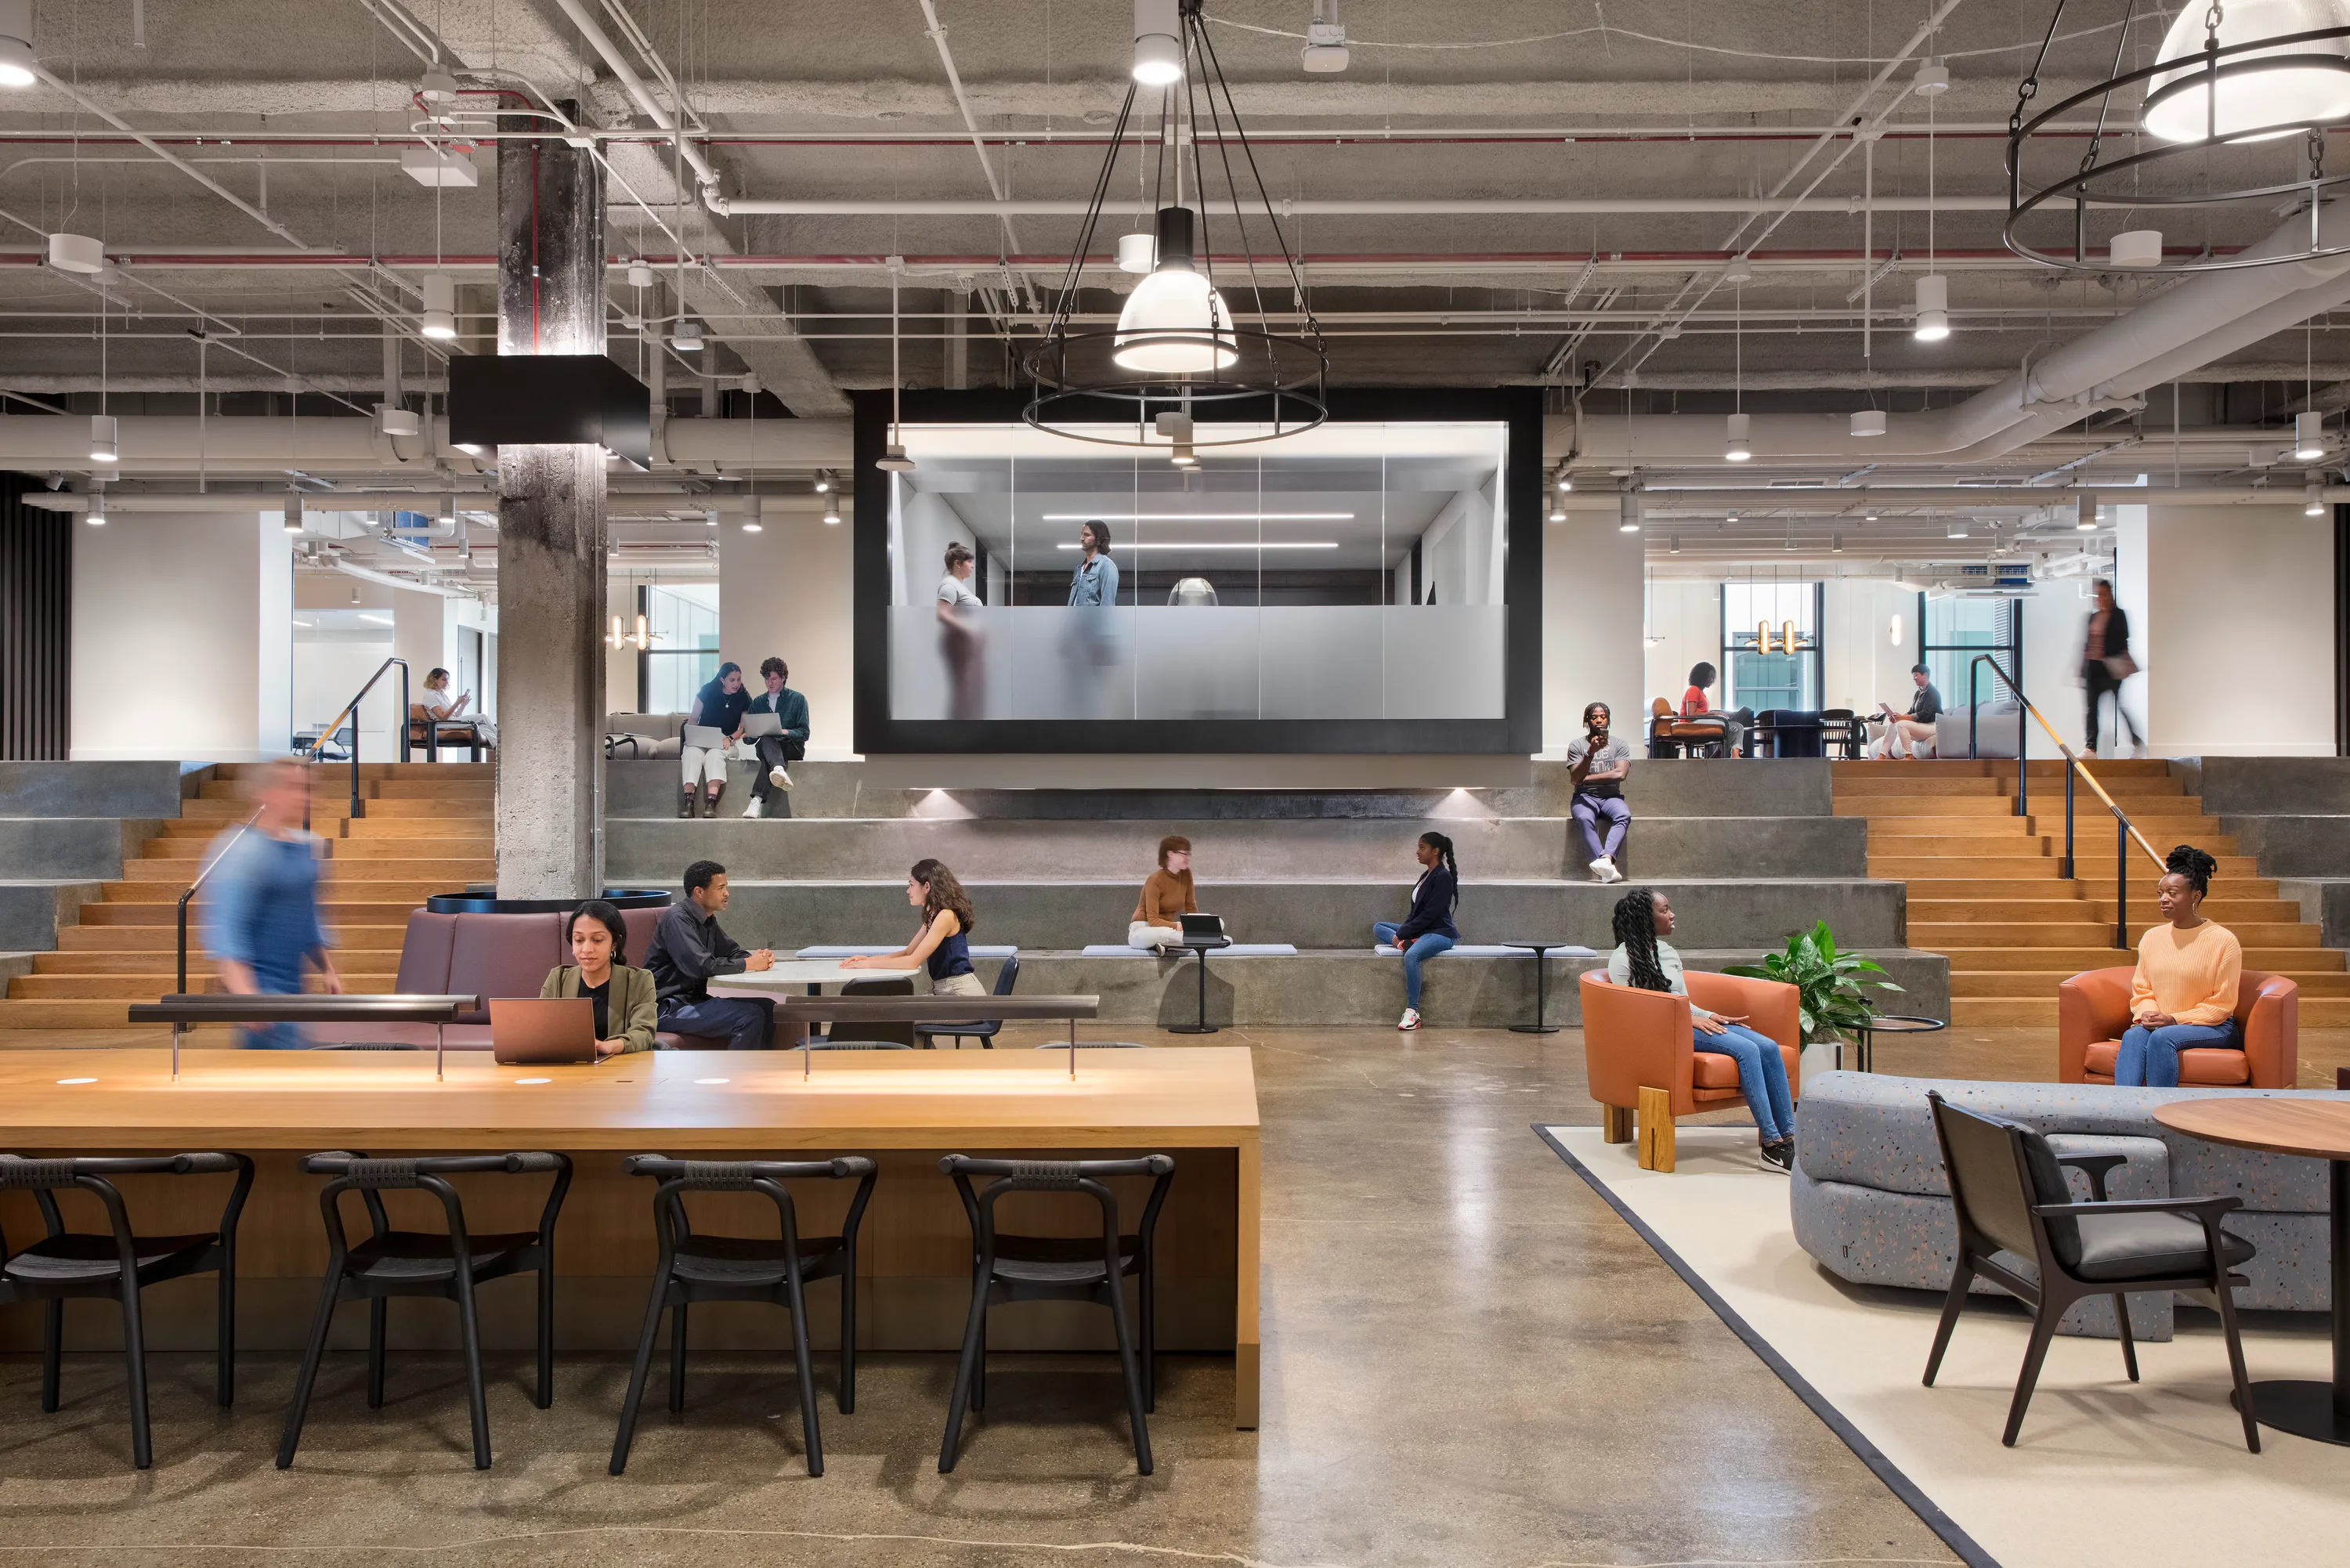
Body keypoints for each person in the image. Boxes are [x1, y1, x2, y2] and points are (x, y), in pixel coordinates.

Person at [1609, 887, 1796, 1172]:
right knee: (1746, 1051)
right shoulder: (1622, 961)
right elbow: (1636, 1012)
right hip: (1665, 1034)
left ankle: (1790, 1139)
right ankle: (1772, 1145)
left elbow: (1684, 1001)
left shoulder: (1667, 952)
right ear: (1646, 918)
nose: (1672, 915)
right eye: (1664, 910)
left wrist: (1710, 1015)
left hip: (1688, 1023)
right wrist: (1687, 1021)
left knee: (1768, 1047)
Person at [201, 757, 342, 1049]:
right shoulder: (241, 850)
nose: (304, 796)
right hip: (261, 989)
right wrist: (247, 998)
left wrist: (327, 968)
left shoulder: (310, 845)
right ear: (263, 792)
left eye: (308, 788)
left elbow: (308, 917)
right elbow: (228, 930)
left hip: (294, 988)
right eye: (292, 787)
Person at [2115, 845, 2241, 1088]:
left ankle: (2158, 1120)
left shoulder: (2223, 940)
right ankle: (2123, 1114)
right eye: (2160, 893)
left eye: (2172, 893)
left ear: (2195, 896)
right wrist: (2148, 1014)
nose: (2163, 899)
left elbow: (2222, 1004)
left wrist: (2173, 1018)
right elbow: (2142, 989)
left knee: (2163, 1037)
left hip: (2213, 1026)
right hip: (2162, 1022)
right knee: (2133, 1035)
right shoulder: (2152, 937)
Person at [645, 859, 777, 1050]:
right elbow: (701, 966)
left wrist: (759, 958)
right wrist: (750, 964)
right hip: (668, 1007)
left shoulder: (707, 919)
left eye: (726, 887)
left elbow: (732, 951)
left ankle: (759, 1071)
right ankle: (737, 1076)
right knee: (750, 1015)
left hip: (693, 1001)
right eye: (720, 888)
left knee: (768, 1008)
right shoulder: (678, 919)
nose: (727, 894)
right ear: (699, 891)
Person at [841, 858, 986, 997]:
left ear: (927, 887)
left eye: (911, 885)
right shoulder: (933, 916)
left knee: (901, 1018)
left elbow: (912, 962)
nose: (908, 891)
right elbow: (908, 953)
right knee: (896, 1013)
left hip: (962, 996)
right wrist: (867, 960)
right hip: (946, 993)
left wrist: (868, 964)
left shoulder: (946, 916)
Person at [540, 899, 659, 1057]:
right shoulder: (558, 979)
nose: (587, 949)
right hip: (569, 1067)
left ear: (614, 943)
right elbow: (541, 1030)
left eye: (597, 940)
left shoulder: (639, 981)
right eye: (579, 940)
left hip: (620, 1068)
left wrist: (608, 1046)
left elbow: (644, 1033)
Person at [1372, 831, 1459, 1032]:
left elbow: (1431, 914)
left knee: (1412, 956)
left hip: (1440, 933)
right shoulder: (1425, 875)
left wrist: (1402, 935)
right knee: (1379, 926)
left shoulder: (1443, 877)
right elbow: (1415, 913)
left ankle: (1413, 1012)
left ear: (1435, 851)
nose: (1417, 852)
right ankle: (1404, 943)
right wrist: (1403, 932)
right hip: (1421, 931)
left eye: (1422, 848)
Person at [1567, 701, 1632, 883]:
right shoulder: (1577, 745)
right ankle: (1607, 870)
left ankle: (1606, 860)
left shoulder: (1619, 744)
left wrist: (1586, 779)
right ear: (1587, 720)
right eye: (1594, 717)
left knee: (1623, 814)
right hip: (1584, 797)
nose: (1599, 720)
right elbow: (1575, 777)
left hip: (1611, 797)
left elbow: (1620, 773)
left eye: (1603, 717)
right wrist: (1590, 753)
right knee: (1584, 818)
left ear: (1608, 720)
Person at [740, 656, 810, 818]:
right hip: (766, 747)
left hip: (791, 748)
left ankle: (756, 801)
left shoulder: (797, 699)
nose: (770, 683)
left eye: (774, 679)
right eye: (767, 679)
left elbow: (804, 733)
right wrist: (751, 732)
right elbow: (748, 740)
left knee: (768, 754)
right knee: (766, 739)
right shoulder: (757, 703)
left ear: (783, 678)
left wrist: (785, 732)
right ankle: (779, 770)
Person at [2081, 578, 2142, 760]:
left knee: (2119, 707)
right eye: (2097, 595)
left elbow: (2122, 641)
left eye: (2102, 594)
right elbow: (2087, 644)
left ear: (2109, 594)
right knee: (2091, 709)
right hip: (2093, 668)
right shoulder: (2093, 617)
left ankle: (2137, 742)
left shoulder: (2118, 615)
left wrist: (2111, 656)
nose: (2099, 598)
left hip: (2111, 669)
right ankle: (2091, 748)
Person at [681, 661, 751, 818]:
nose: (736, 684)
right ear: (722, 680)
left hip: (727, 741)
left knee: (715, 754)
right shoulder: (707, 691)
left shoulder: (744, 697)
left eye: (739, 679)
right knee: (691, 753)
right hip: (702, 738)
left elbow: (743, 728)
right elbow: (693, 718)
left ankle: (711, 803)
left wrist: (730, 737)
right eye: (732, 680)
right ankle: (688, 803)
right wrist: (690, 736)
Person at [938, 540, 986, 721]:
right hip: (959, 645)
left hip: (968, 646)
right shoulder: (949, 585)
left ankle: (965, 727)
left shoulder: (959, 585)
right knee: (962, 689)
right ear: (957, 563)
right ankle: (957, 730)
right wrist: (970, 630)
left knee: (969, 690)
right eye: (969, 562)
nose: (972, 566)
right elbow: (943, 614)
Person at [1130, 835, 1196, 950]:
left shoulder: (1186, 875)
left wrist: (1199, 926)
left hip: (1170, 929)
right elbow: (1153, 920)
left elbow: (1191, 907)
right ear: (1170, 854)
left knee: (1219, 924)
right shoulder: (1155, 880)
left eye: (1188, 854)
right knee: (1164, 934)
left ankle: (1168, 946)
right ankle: (1178, 943)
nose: (1188, 857)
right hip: (1143, 929)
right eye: (1184, 854)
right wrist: (1179, 926)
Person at [1871, 664, 1943, 759]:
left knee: (1902, 724)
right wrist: (1898, 717)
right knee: (1893, 725)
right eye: (1913, 676)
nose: (1914, 678)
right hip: (1923, 726)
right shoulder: (1919, 692)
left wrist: (1903, 718)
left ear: (1925, 675)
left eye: (1916, 675)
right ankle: (1882, 755)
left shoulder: (1933, 692)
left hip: (1932, 726)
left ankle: (1909, 756)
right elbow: (1912, 711)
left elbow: (1926, 714)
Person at [1679, 661, 1746, 758]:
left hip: (1699, 721)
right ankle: (1722, 753)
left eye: (1713, 678)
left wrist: (1718, 714)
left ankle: (1731, 753)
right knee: (1728, 725)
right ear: (1701, 676)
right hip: (1691, 723)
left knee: (1738, 726)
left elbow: (1701, 712)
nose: (1711, 680)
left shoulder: (1701, 692)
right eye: (1709, 677)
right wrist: (1714, 713)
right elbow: (1692, 714)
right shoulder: (1693, 690)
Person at [1067, 518, 1119, 607]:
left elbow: (1107, 606)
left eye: (1087, 535)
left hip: (1092, 620)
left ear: (1099, 539)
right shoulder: (1079, 569)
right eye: (1082, 534)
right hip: (1075, 620)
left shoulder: (1106, 566)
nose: (1082, 538)